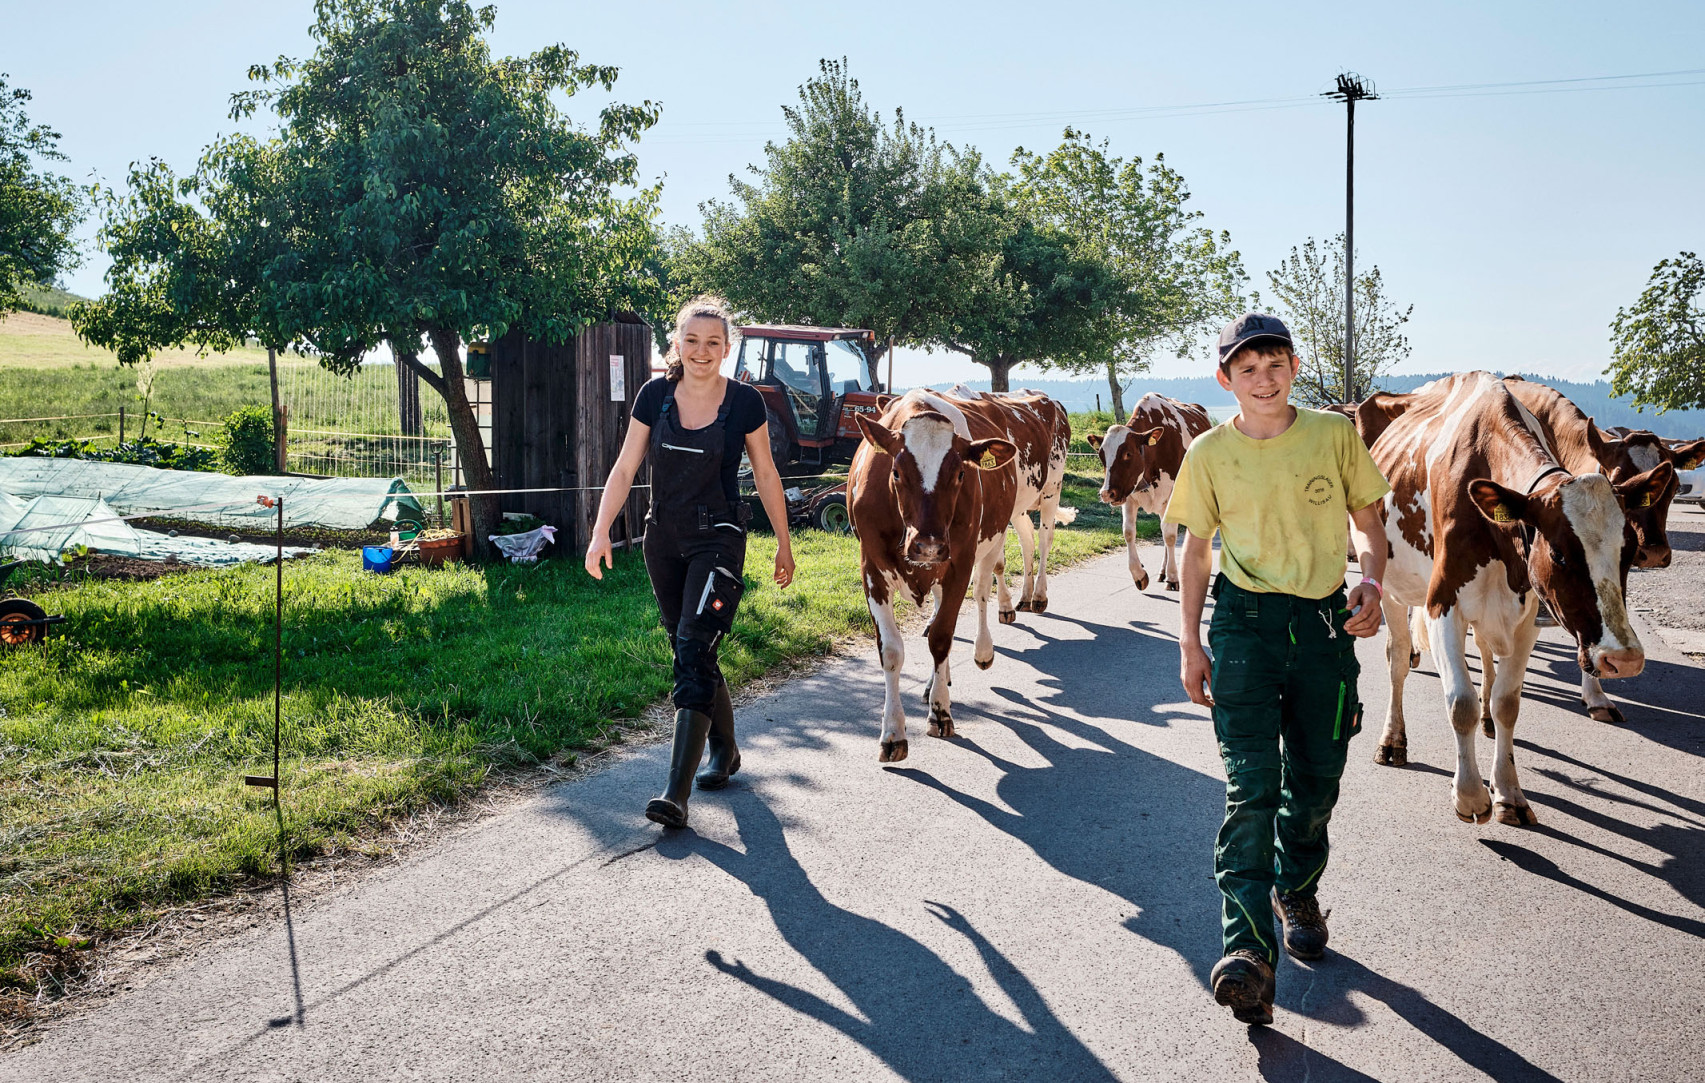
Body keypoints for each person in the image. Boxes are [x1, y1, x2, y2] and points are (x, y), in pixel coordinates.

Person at [1163, 313, 1390, 1026]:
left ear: (1292, 367)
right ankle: (1247, 956)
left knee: (1316, 779)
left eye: (1274, 364)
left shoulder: (1331, 435)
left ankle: (1296, 886)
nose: (1263, 379)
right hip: (1243, 628)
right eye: (1247, 368)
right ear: (1225, 378)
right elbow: (1197, 552)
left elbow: (1368, 524)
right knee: (1251, 786)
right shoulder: (1207, 452)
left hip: (1324, 625)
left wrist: (1372, 584)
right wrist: (1189, 643)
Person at [586, 296, 795, 829]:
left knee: (694, 646)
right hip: (663, 540)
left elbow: (766, 474)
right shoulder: (654, 396)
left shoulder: (745, 403)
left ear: (727, 349)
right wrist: (600, 531)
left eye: (714, 342)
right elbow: (626, 464)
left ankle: (675, 794)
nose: (702, 351)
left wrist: (783, 542)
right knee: (691, 648)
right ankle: (725, 751)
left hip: (719, 540)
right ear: (676, 345)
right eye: (693, 341)